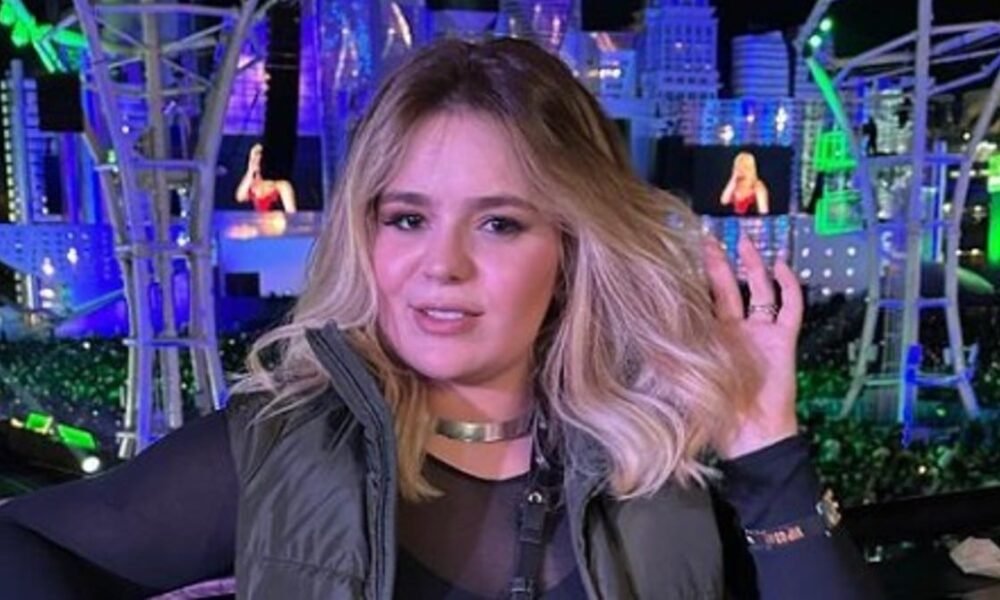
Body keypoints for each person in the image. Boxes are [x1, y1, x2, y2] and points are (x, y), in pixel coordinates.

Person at [0, 38, 881, 599]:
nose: (441, 265)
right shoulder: (275, 454)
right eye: (407, 218)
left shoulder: (663, 467)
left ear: (572, 249)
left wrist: (764, 442)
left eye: (499, 224)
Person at [234, 143, 298, 213]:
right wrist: (250, 171)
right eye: (253, 159)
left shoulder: (282, 185)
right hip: (259, 219)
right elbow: (240, 197)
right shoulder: (253, 186)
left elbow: (291, 213)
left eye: (259, 157)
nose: (256, 161)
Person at [720, 152, 770, 216]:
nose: (742, 170)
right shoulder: (734, 184)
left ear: (751, 169)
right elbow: (724, 201)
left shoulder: (757, 185)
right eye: (738, 167)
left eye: (745, 167)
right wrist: (733, 179)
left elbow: (763, 212)